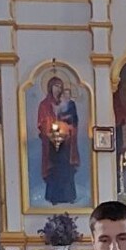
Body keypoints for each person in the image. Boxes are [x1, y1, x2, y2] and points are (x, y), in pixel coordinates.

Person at [37, 76, 80, 205]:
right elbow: (41, 123)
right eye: (56, 86)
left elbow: (74, 121)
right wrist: (50, 129)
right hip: (50, 143)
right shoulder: (44, 104)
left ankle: (68, 196)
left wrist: (67, 127)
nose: (58, 89)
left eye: (60, 86)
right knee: (54, 170)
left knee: (66, 169)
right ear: (50, 87)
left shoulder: (68, 103)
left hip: (66, 143)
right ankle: (54, 197)